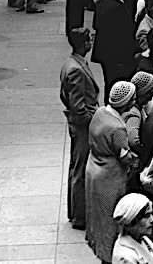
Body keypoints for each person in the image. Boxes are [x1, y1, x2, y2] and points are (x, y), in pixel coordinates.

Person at [86, 81, 140, 263]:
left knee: (98, 218)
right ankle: (109, 256)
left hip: (94, 168)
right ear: (127, 102)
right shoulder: (117, 128)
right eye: (133, 98)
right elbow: (125, 156)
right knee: (110, 220)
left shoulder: (101, 113)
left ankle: (100, 250)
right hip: (110, 177)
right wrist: (137, 160)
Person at [60, 28, 99, 232]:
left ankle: (76, 211)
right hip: (82, 125)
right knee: (81, 167)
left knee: (77, 166)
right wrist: (95, 119)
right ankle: (79, 215)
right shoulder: (75, 69)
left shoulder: (73, 63)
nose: (91, 42)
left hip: (79, 123)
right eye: (89, 39)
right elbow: (78, 105)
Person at [93, 0, 139, 91]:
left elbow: (96, 25)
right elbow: (124, 32)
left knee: (109, 83)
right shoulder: (116, 6)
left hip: (107, 53)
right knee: (117, 85)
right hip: (117, 54)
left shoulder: (102, 3)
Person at [110, 193, 153, 264]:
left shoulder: (144, 240)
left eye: (151, 214)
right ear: (132, 221)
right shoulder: (125, 257)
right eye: (147, 216)